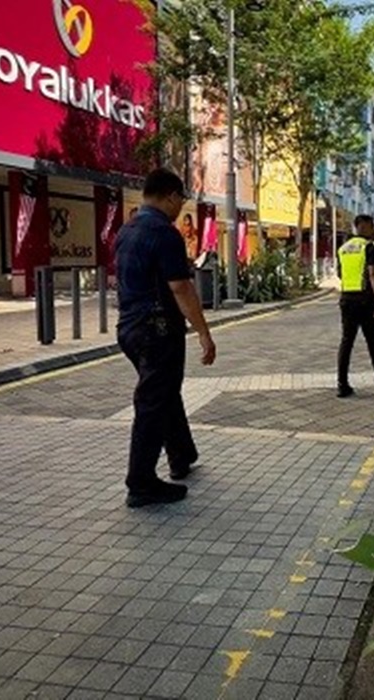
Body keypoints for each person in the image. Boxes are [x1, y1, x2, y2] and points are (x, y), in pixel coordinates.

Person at [114, 168, 216, 508]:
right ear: (170, 196)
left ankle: (181, 455)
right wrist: (204, 332)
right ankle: (140, 483)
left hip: (128, 328)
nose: (180, 207)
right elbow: (181, 288)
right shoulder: (165, 234)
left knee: (163, 391)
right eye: (181, 199)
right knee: (153, 402)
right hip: (157, 330)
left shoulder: (125, 231)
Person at [337, 214, 374, 398]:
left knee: (347, 341)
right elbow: (373, 275)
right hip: (365, 299)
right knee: (372, 338)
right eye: (371, 226)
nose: (373, 229)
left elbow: (340, 274)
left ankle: (342, 383)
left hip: (346, 298)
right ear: (364, 226)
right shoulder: (369, 248)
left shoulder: (343, 249)